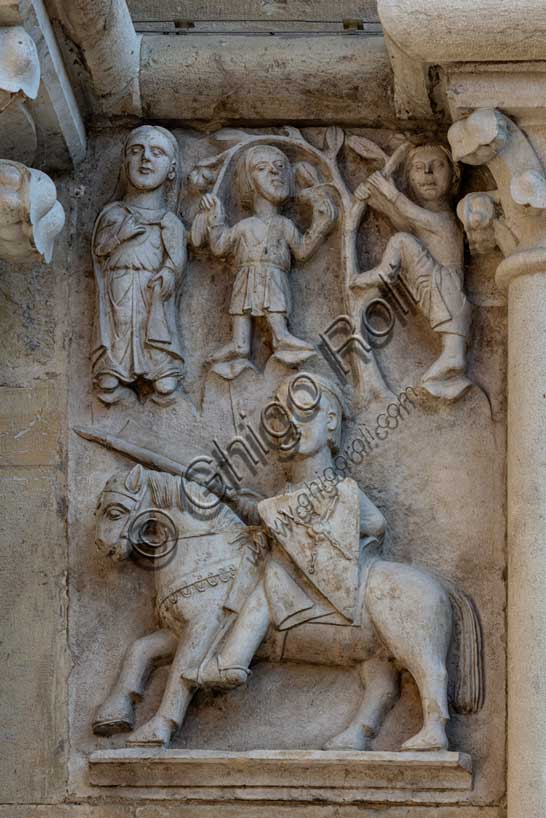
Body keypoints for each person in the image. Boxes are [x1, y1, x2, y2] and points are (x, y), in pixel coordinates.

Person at [185, 371, 386, 689]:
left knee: (272, 575)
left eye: (304, 410)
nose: (291, 422)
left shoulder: (337, 488)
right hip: (300, 568)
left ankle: (233, 660)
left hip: (319, 577)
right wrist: (226, 493)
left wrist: (331, 534)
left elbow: (375, 523)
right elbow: (269, 514)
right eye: (281, 414)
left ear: (330, 421)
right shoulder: (289, 491)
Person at [197, 145, 336, 377]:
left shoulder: (284, 225)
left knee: (275, 303)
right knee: (242, 308)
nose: (273, 172)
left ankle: (281, 336)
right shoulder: (244, 226)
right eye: (262, 168)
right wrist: (215, 221)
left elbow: (301, 251)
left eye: (280, 167)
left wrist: (321, 226)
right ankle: (239, 344)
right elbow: (219, 247)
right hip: (246, 275)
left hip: (274, 275)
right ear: (248, 181)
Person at [351, 144, 471, 398]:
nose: (428, 173)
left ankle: (384, 272)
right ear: (409, 177)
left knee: (402, 241)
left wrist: (388, 191)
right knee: (405, 238)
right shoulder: (426, 220)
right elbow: (406, 221)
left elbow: (409, 216)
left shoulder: (447, 220)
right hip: (438, 289)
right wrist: (375, 199)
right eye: (419, 168)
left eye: (438, 165)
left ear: (454, 174)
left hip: (444, 289)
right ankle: (452, 356)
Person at [92, 125, 186, 404]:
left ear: (171, 169)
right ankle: (113, 368)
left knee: (153, 324)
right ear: (124, 163)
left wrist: (168, 274)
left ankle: (160, 368)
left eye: (157, 152)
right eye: (136, 151)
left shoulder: (170, 222)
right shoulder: (113, 213)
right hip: (118, 283)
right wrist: (120, 234)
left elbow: (176, 259)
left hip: (152, 287)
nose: (145, 158)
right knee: (121, 323)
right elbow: (99, 250)